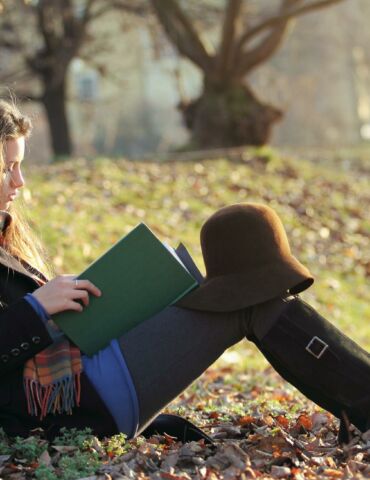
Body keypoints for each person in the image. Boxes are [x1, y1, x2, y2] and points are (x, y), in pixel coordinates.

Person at [0, 99, 369, 446]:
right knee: (246, 302)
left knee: (243, 262)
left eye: (20, 167)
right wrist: (37, 308)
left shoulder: (9, 240)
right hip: (73, 400)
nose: (20, 182)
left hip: (87, 372)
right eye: (7, 169)